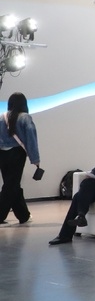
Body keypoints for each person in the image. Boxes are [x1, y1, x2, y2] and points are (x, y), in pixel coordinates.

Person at [0, 92, 40, 225]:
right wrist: (35, 159)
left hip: (2, 154)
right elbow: (31, 138)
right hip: (17, 153)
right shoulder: (25, 117)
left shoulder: (2, 117)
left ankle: (23, 215)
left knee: (12, 184)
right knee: (11, 185)